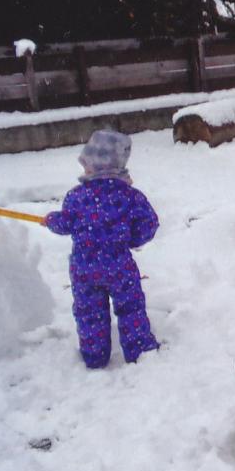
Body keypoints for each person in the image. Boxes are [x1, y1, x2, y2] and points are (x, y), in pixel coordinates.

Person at [44, 130, 160, 369]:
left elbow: (66, 223)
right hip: (119, 265)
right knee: (130, 308)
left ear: (96, 166)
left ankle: (94, 354)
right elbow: (149, 223)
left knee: (89, 313)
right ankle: (139, 350)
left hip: (84, 269)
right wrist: (133, 239)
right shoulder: (130, 196)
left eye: (86, 165)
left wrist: (51, 220)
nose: (84, 170)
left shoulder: (76, 197)